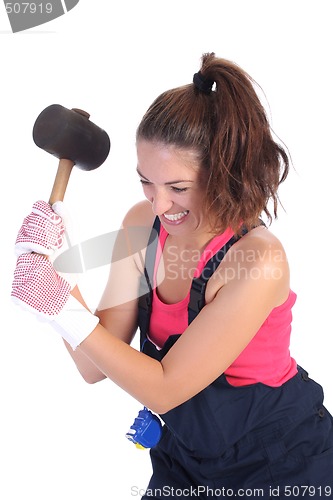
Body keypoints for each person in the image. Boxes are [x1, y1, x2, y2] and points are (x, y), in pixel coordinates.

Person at [11, 53, 333, 498]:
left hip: (279, 460)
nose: (159, 204)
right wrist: (51, 273)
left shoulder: (257, 260)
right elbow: (93, 364)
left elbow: (164, 391)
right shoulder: (142, 225)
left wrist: (58, 305)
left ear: (225, 172)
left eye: (178, 187)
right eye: (146, 181)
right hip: (187, 455)